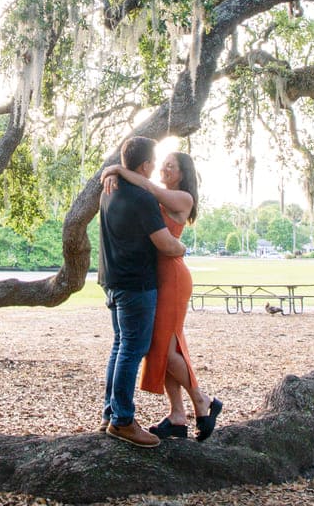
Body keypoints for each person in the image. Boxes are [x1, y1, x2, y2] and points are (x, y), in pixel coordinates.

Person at [101, 150, 222, 442]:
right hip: (155, 274)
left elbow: (148, 187)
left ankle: (202, 400)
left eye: (170, 166)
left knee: (167, 350)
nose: (163, 169)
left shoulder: (182, 198)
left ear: (182, 174)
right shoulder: (153, 196)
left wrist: (115, 168)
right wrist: (111, 174)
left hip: (173, 276)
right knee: (166, 347)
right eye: (162, 164)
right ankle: (177, 416)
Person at [98, 136, 188, 448]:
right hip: (137, 284)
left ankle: (110, 414)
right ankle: (122, 421)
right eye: (155, 162)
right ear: (146, 164)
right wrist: (182, 247)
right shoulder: (141, 197)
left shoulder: (109, 191)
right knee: (131, 351)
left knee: (120, 347)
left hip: (113, 281)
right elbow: (164, 243)